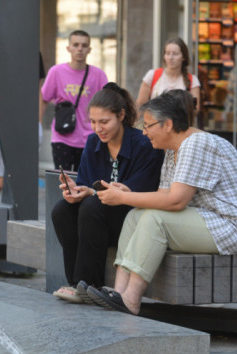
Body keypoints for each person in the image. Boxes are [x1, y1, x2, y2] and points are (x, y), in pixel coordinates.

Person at [87, 90, 237, 315]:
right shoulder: (173, 150)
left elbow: (175, 201)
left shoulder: (196, 143)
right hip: (211, 218)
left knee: (154, 219)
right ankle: (118, 293)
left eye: (148, 125)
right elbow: (163, 196)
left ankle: (131, 299)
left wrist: (122, 197)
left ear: (167, 124)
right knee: (135, 215)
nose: (144, 132)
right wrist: (128, 192)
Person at [51, 83, 164, 303]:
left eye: (104, 122)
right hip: (96, 218)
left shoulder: (142, 144)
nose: (98, 128)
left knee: (91, 206)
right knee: (62, 210)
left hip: (133, 218)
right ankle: (75, 283)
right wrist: (77, 191)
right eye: (93, 122)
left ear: (121, 116)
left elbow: (140, 193)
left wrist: (92, 195)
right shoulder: (93, 142)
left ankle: (89, 284)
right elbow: (86, 185)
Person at [0, 54, 45, 202]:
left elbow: (37, 91)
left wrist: (37, 123)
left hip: (25, 126)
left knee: (20, 181)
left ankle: (12, 222)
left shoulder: (33, 51)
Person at [42, 30, 109, 171]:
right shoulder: (56, 72)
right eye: (76, 44)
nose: (80, 49)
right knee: (63, 182)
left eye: (84, 45)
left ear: (89, 49)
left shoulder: (98, 75)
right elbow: (44, 99)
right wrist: (37, 126)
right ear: (68, 48)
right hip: (62, 137)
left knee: (83, 184)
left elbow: (107, 104)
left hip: (89, 138)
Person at [136, 37, 201, 115]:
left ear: (183, 57)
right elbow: (140, 105)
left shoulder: (192, 80)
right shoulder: (152, 75)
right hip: (155, 125)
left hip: (180, 125)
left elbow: (195, 109)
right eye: (167, 53)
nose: (171, 58)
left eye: (175, 54)